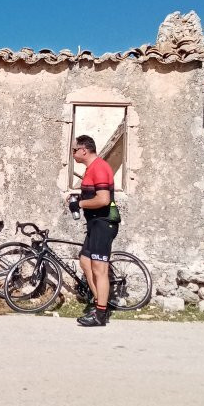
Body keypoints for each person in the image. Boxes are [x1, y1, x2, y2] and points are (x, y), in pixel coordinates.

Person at [66, 135, 119, 327]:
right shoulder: (91, 169)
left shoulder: (100, 167)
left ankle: (100, 315)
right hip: (94, 223)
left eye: (74, 150)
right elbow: (91, 194)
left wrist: (79, 203)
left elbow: (103, 200)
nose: (72, 154)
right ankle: (99, 305)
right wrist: (76, 198)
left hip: (104, 223)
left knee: (99, 268)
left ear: (84, 150)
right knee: (85, 262)